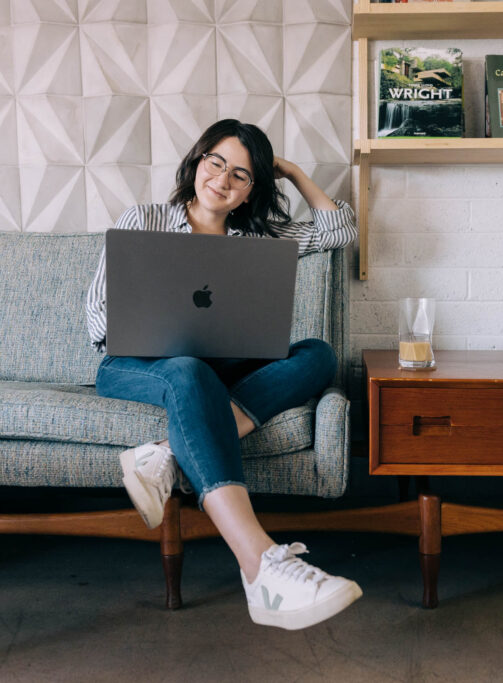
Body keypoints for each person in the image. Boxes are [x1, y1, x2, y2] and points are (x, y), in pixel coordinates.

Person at [84, 119, 361, 630]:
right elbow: (97, 314)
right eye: (216, 163)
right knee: (187, 368)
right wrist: (156, 334)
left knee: (318, 353)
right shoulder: (144, 217)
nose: (223, 180)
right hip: (134, 365)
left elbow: (339, 232)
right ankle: (261, 565)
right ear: (197, 160)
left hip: (221, 368)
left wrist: (292, 171)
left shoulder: (257, 234)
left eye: (242, 174)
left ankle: (173, 453)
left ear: (253, 187)